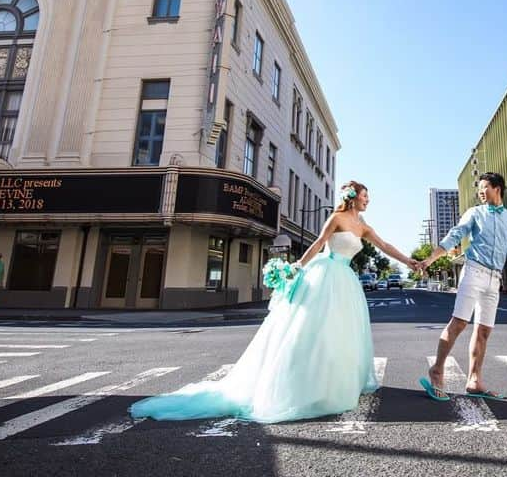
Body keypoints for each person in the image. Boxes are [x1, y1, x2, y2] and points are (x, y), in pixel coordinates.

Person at [129, 180, 417, 423]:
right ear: (353, 198)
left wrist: (409, 261)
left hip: (346, 281)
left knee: (341, 333)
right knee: (311, 330)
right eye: (366, 197)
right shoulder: (337, 219)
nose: (368, 201)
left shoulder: (362, 225)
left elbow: (385, 245)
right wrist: (298, 267)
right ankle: (303, 383)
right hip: (325, 276)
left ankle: (336, 382)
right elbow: (318, 244)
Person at [417, 172, 507, 402]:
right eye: (479, 188)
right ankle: (437, 370)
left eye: (484, 186)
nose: (480, 191)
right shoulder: (475, 213)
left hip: (494, 278)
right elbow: (454, 236)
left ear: (497, 188)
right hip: (474, 271)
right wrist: (430, 259)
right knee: (459, 322)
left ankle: (474, 380)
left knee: (484, 330)